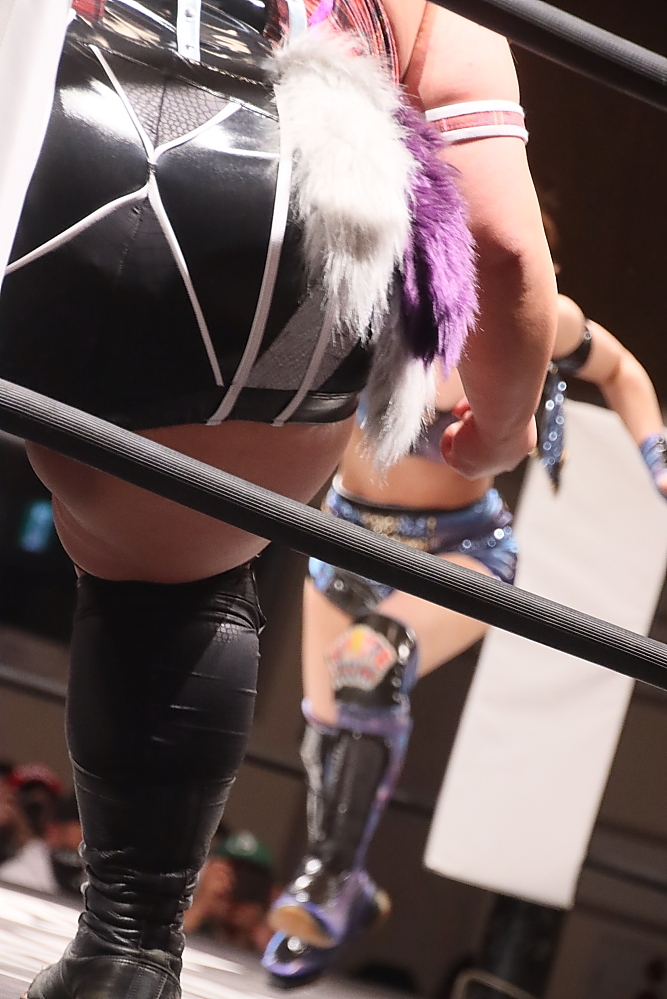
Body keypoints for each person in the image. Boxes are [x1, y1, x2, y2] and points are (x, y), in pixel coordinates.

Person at [0, 1, 555, 997]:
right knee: (170, 588)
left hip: (58, 109)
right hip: (281, 225)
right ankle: (127, 952)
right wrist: (504, 427)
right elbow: (506, 247)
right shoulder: (435, 14)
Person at [263, 281, 667, 982]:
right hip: (346, 538)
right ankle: (347, 886)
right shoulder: (378, 290)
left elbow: (621, 369)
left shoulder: (534, 314)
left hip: (460, 548)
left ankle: (325, 879)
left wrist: (658, 459)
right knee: (327, 729)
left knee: (369, 659)